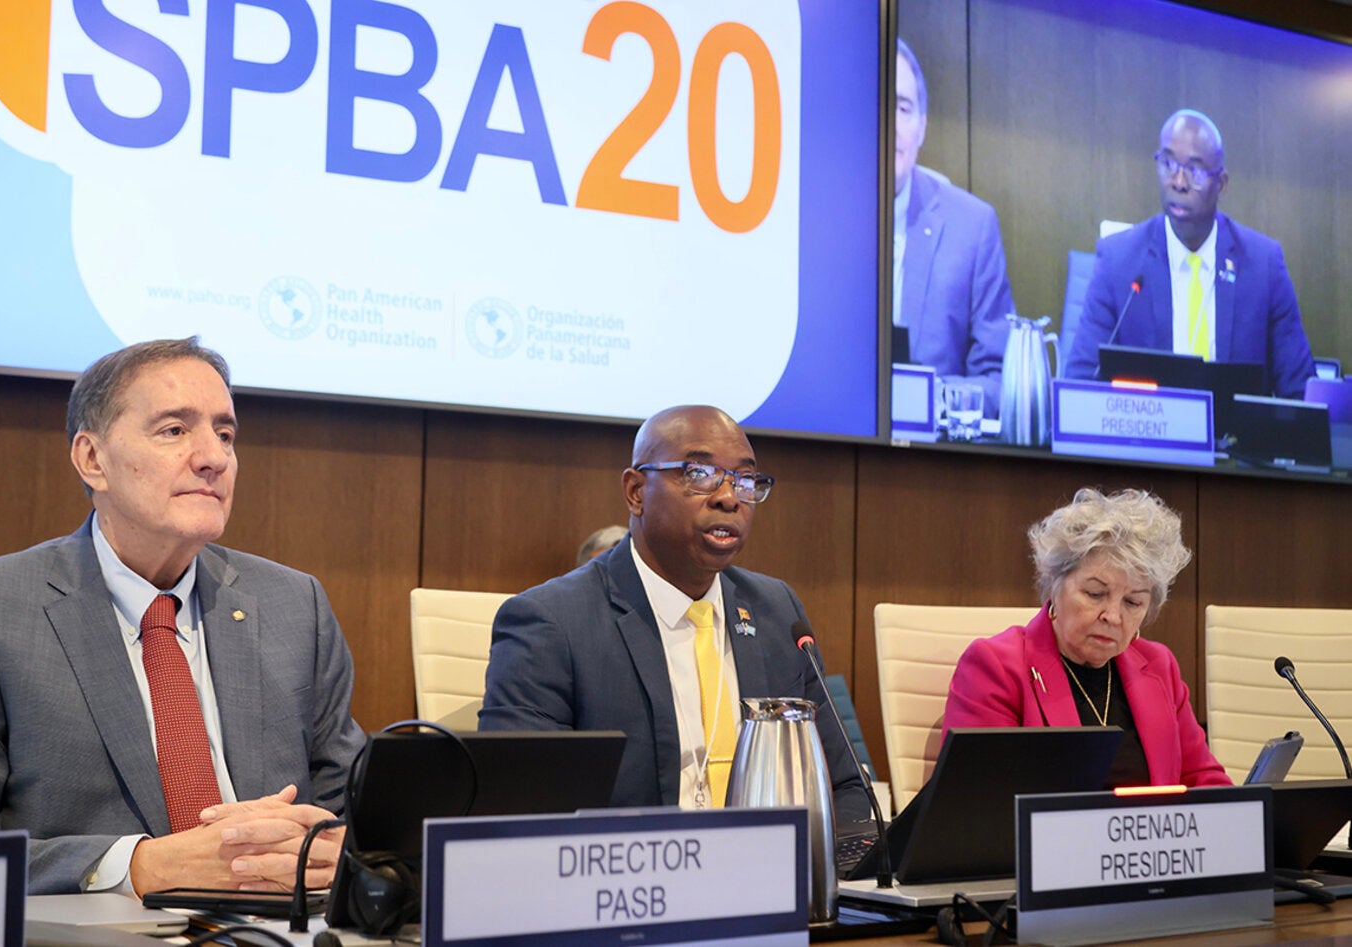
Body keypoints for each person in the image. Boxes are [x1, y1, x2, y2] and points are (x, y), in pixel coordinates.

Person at [0, 338, 365, 896]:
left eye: (225, 434)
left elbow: (353, 813)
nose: (214, 457)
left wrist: (332, 847)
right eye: (174, 430)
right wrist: (140, 867)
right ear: (93, 460)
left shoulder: (293, 605)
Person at [479, 405, 866, 819]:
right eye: (699, 474)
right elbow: (521, 813)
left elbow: (844, 788)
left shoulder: (776, 613)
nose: (729, 498)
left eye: (745, 479)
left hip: (770, 872)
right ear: (636, 492)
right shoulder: (551, 622)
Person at [944, 487, 1229, 788]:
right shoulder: (996, 667)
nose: (1113, 616)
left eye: (1133, 602)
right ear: (1055, 584)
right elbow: (980, 801)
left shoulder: (1159, 666)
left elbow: (1205, 780)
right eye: (1095, 594)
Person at [1066, 109, 1315, 399]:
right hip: (1145, 436)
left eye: (1195, 171)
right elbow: (1081, 384)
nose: (1179, 182)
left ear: (1221, 184)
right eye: (1169, 164)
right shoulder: (1118, 261)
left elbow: (1299, 393)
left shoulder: (1263, 265)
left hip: (1234, 441)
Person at [894, 38, 1015, 417]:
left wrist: (927, 399)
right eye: (875, 104)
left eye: (903, 107)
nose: (890, 123)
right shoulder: (809, 219)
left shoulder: (971, 227)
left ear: (922, 128)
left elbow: (999, 381)